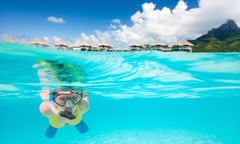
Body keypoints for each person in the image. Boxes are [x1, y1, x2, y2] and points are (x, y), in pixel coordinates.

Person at [34, 59, 90, 138]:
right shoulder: (47, 110)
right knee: (50, 135)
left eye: (74, 98)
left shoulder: (83, 106)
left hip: (75, 121)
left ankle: (77, 123)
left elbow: (85, 95)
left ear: (79, 98)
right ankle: (56, 126)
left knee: (83, 130)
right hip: (56, 124)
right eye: (62, 99)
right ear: (54, 99)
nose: (69, 105)